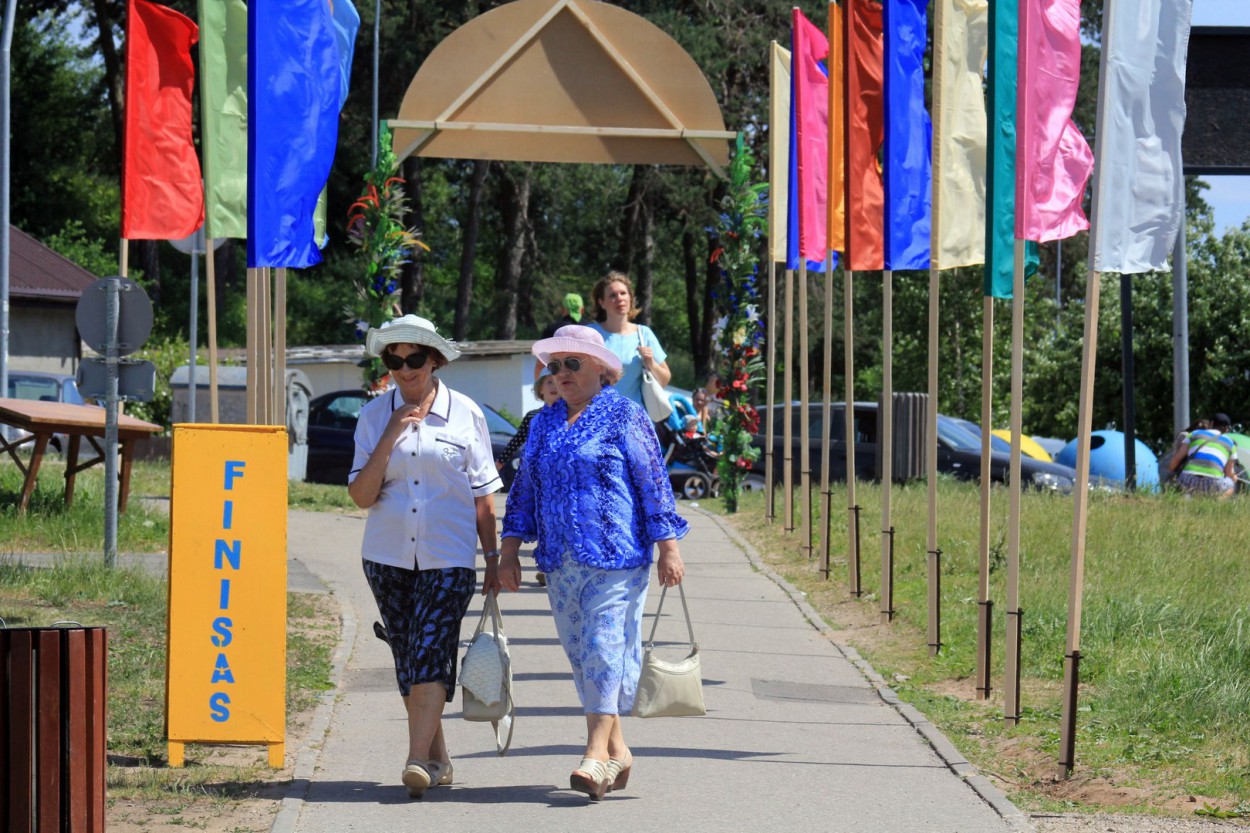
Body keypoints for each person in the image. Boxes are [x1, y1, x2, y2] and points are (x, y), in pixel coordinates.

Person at [495, 325, 688, 801]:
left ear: (600, 368)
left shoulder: (625, 414)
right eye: (554, 365)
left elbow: (653, 483)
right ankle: (619, 751)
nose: (561, 373)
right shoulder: (543, 423)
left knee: (603, 646)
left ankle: (594, 753)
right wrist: (508, 552)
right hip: (560, 562)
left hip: (617, 556)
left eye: (572, 363)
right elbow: (523, 491)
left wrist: (669, 547)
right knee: (583, 657)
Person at [347, 314, 505, 798]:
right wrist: (392, 431)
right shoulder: (374, 416)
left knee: (431, 649)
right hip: (386, 556)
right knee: (407, 656)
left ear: (434, 360)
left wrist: (493, 559)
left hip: (448, 556)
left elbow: (483, 498)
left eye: (414, 358)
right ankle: (438, 758)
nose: (404, 369)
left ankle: (416, 760)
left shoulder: (466, 414)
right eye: (393, 361)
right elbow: (361, 496)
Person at [495, 373, 562, 587]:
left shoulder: (570, 415)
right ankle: (544, 566)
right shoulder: (534, 417)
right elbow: (517, 441)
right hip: (535, 478)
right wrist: (500, 462)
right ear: (540, 390)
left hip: (559, 478)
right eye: (548, 382)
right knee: (542, 522)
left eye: (556, 381)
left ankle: (550, 565)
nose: (553, 386)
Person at [585, 271, 672, 409]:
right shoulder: (590, 334)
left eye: (623, 293)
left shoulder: (643, 334)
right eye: (612, 295)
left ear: (630, 298)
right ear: (602, 302)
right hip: (594, 413)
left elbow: (664, 380)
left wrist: (651, 364)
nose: (619, 298)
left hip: (633, 417)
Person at [1170, 412, 1237, 497]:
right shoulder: (1230, 443)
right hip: (1212, 483)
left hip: (1187, 480)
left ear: (1211, 423)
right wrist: (1234, 478)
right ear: (1227, 429)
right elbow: (1229, 474)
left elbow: (1176, 460)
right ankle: (1217, 503)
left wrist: (1172, 473)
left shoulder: (1194, 434)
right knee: (1230, 485)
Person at [534, 293, 587, 380]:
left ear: (562, 309)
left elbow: (540, 364)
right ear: (582, 310)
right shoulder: (590, 329)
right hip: (584, 381)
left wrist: (538, 384)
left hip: (559, 381)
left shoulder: (552, 330)